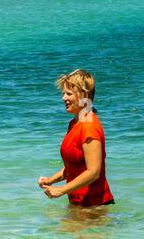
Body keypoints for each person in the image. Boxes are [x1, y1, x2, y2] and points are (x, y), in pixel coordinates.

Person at [37, 69, 114, 207]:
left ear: (84, 95)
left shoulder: (89, 127)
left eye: (69, 94)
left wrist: (60, 190)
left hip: (94, 207)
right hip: (78, 205)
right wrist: (50, 180)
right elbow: (74, 167)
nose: (63, 98)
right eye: (63, 94)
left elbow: (93, 172)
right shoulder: (74, 124)